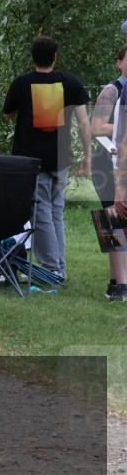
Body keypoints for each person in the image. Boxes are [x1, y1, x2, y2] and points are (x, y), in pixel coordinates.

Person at [2, 35, 91, 280]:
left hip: (31, 161)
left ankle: (52, 268)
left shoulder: (22, 83)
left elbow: (8, 114)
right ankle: (59, 267)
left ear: (33, 57)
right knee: (55, 212)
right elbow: (84, 122)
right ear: (55, 57)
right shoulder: (70, 82)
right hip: (60, 158)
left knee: (41, 214)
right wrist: (88, 155)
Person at [90, 44, 127, 300]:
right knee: (113, 219)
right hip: (107, 160)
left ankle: (116, 281)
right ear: (119, 62)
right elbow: (96, 127)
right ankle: (120, 283)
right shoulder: (111, 90)